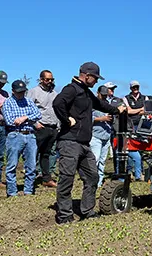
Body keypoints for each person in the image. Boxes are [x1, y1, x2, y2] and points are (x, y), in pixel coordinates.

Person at [52, 62, 125, 224]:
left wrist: (117, 110)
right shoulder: (72, 89)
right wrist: (66, 119)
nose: (96, 82)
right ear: (87, 75)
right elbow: (58, 103)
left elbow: (100, 105)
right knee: (67, 178)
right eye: (95, 78)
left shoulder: (86, 92)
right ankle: (64, 215)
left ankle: (87, 210)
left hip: (84, 144)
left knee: (92, 176)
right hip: (69, 142)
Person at [2, 80, 42, 197]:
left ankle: (28, 190)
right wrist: (29, 119)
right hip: (15, 135)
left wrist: (24, 118)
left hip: (30, 135)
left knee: (31, 165)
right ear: (13, 91)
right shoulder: (8, 103)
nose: (21, 94)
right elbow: (10, 121)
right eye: (19, 92)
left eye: (23, 92)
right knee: (12, 165)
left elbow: (38, 114)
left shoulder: (29, 101)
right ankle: (12, 192)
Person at [26, 70, 59, 188]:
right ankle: (29, 178)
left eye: (51, 79)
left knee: (46, 154)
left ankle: (46, 178)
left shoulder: (54, 93)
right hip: (40, 126)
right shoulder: (33, 92)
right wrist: (35, 123)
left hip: (52, 127)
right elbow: (27, 108)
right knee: (34, 153)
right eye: (47, 79)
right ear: (41, 79)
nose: (50, 82)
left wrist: (58, 125)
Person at [90, 86, 113, 188]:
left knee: (103, 161)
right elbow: (87, 118)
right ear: (97, 93)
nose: (104, 97)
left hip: (106, 134)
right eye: (102, 95)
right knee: (95, 159)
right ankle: (91, 182)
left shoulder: (107, 104)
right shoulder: (91, 103)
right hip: (95, 135)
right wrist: (101, 118)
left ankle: (99, 182)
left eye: (105, 95)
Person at [124, 80, 145, 180]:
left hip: (142, 126)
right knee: (131, 148)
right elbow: (128, 111)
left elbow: (146, 111)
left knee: (141, 149)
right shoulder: (126, 98)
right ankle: (129, 171)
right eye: (134, 87)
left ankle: (139, 172)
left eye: (137, 87)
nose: (135, 89)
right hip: (130, 126)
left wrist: (135, 111)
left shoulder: (145, 98)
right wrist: (139, 110)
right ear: (130, 88)